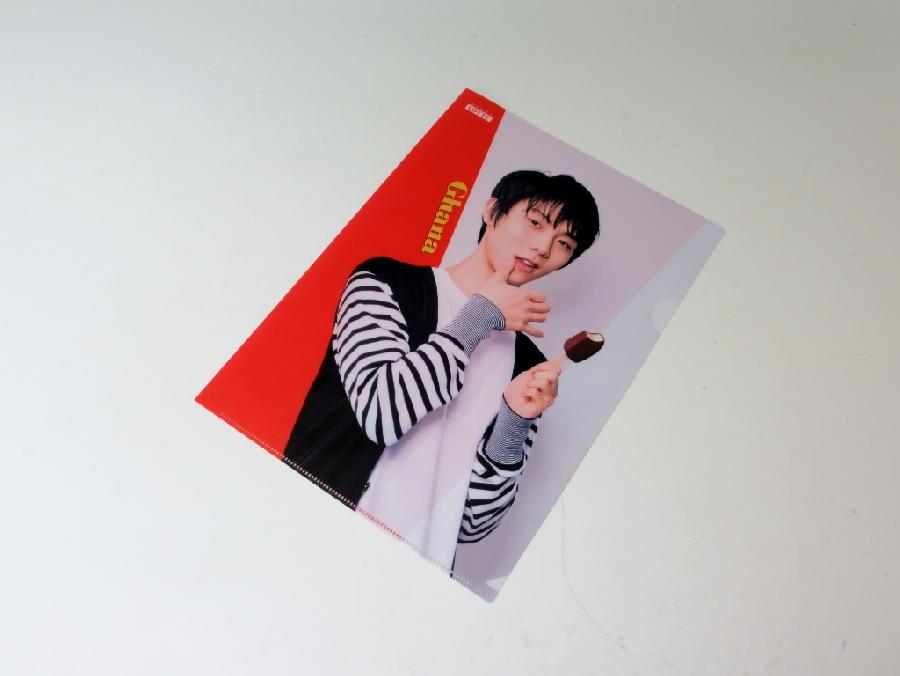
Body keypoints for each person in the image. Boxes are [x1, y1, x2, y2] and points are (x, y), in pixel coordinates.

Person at [283, 170, 600, 570]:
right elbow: (381, 415)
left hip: (417, 574)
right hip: (313, 539)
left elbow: (471, 524)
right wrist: (481, 315)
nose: (542, 247)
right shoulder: (386, 282)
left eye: (563, 243)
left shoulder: (529, 366)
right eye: (535, 222)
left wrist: (514, 422)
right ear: (492, 211)